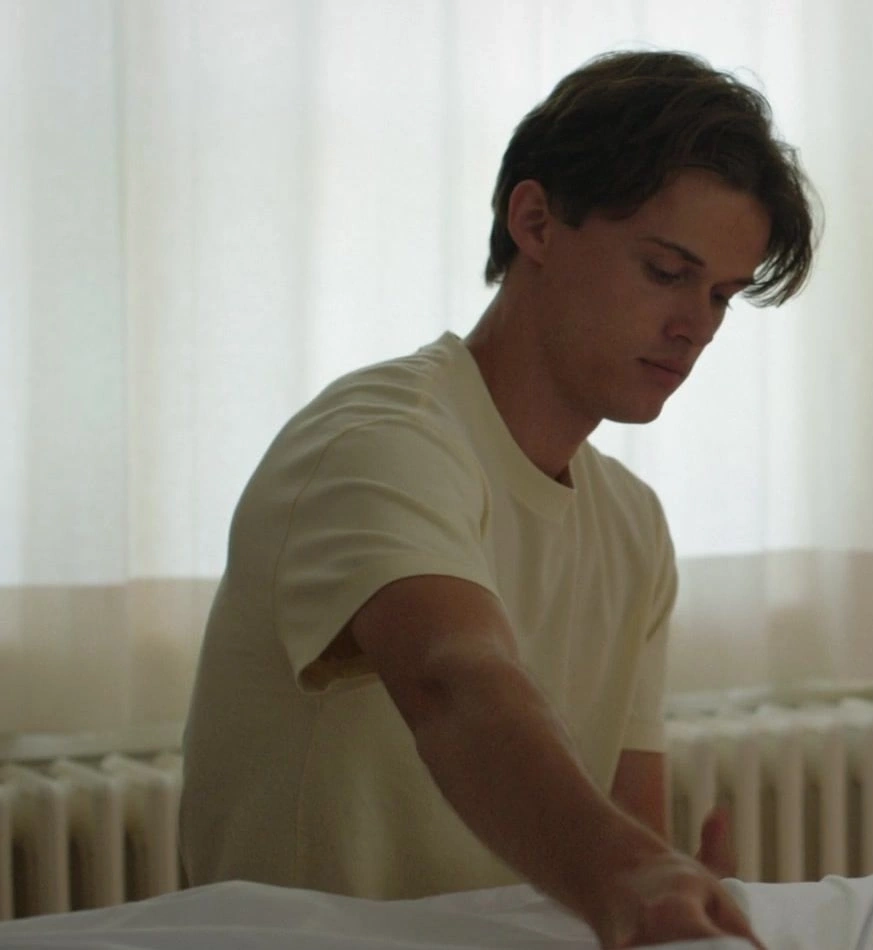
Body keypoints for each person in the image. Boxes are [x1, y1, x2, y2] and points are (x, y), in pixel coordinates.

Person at [179, 49, 814, 949]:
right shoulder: (378, 440)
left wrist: (669, 891)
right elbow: (453, 680)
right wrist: (632, 873)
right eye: (666, 272)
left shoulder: (634, 525)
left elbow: (626, 842)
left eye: (721, 296)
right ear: (536, 222)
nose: (696, 328)